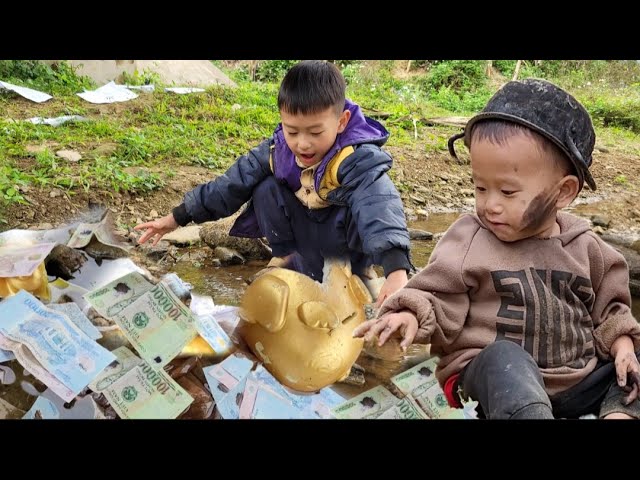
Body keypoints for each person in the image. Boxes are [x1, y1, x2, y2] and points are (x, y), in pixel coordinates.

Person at [354, 78, 640, 419]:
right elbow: (435, 292)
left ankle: (618, 414)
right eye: (480, 187)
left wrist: (623, 346)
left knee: (633, 364)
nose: (490, 205)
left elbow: (612, 314)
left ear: (564, 192)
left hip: (575, 383)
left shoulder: (588, 249)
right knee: (505, 358)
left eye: (507, 192)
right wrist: (409, 313)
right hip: (487, 383)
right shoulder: (469, 240)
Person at [134, 60, 411, 306]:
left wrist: (396, 271)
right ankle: (286, 261)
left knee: (362, 209)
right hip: (304, 236)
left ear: (341, 121)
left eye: (315, 132)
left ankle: (360, 274)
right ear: (282, 120)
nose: (302, 143)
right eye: (292, 131)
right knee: (265, 187)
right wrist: (176, 218)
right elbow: (230, 185)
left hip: (343, 247)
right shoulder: (276, 151)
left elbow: (379, 208)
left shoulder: (357, 159)